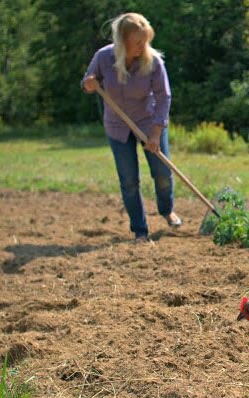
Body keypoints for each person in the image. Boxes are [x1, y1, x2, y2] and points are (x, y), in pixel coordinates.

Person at [81, 12, 181, 243]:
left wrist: (156, 132)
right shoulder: (104, 57)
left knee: (162, 174)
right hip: (117, 126)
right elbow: (88, 82)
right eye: (138, 41)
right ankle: (140, 230)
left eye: (145, 40)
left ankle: (166, 210)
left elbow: (163, 97)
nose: (142, 46)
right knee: (128, 181)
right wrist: (89, 84)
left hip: (149, 122)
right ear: (122, 40)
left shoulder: (154, 61)